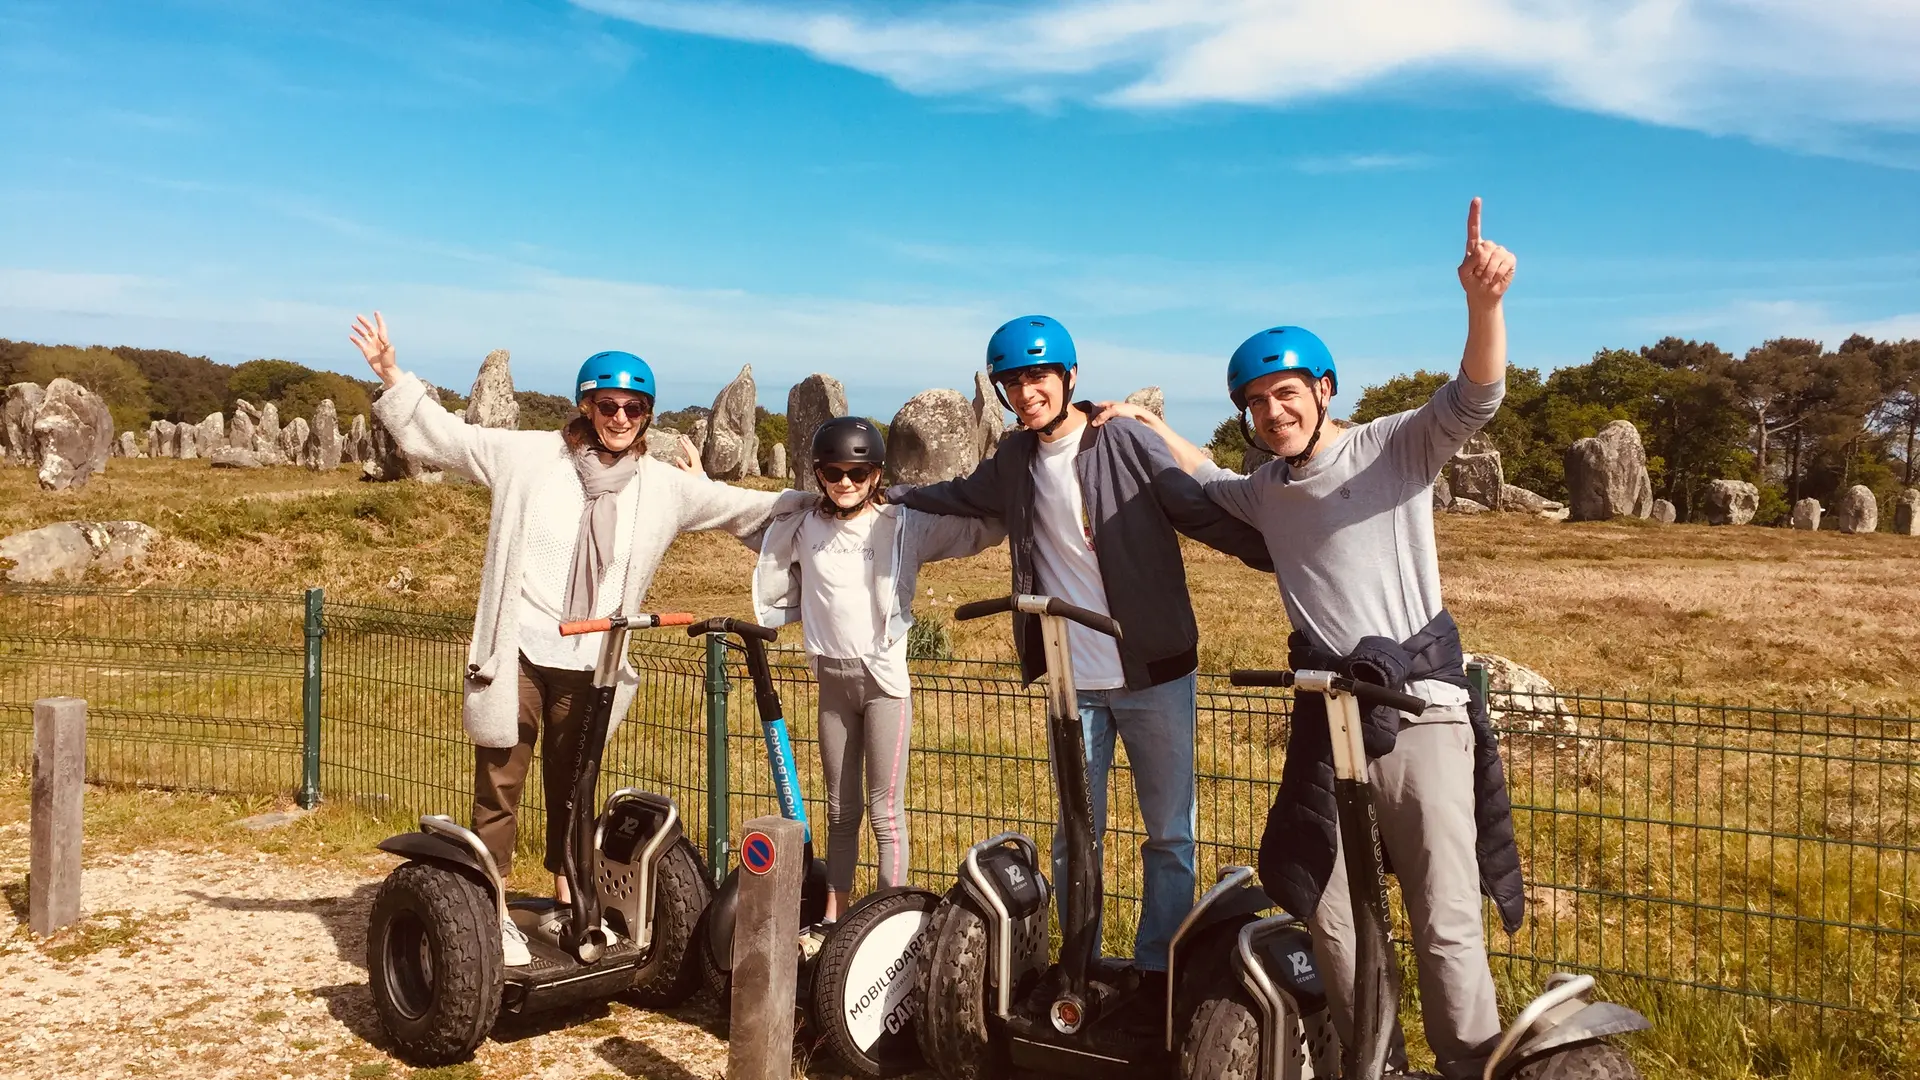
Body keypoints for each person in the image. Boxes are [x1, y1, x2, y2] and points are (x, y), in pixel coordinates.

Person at [1094, 199, 1524, 1079]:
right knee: (1326, 907)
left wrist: (1485, 304)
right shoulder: (1265, 488)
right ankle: (1377, 1064)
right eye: (1256, 402)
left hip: (1417, 710)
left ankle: (1469, 1064)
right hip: (1326, 722)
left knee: (1444, 916)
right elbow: (1204, 477)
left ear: (1324, 389)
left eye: (1286, 393)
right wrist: (1142, 425)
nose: (1272, 411)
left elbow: (1477, 395)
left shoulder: (1391, 447)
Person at [349, 312, 811, 967]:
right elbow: (446, 437)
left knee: (575, 792)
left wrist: (840, 494)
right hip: (519, 653)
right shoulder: (527, 457)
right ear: (585, 405)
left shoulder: (666, 489)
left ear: (647, 414)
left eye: (634, 407)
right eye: (607, 404)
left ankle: (571, 906)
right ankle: (492, 913)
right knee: (499, 789)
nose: (620, 417)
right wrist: (394, 374)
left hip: (592, 664)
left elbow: (752, 510)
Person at [888, 315, 1273, 992]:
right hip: (1072, 682)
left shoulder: (1120, 439)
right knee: (1074, 837)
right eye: (1012, 381)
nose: (1026, 391)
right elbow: (958, 494)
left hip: (1154, 671)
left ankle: (1159, 969)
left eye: (1038, 376)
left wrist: (1278, 548)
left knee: (1170, 837)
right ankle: (1081, 966)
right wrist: (881, 495)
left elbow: (1195, 508)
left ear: (1069, 377)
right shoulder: (1013, 458)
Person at [749, 417, 1003, 953]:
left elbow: (978, 531)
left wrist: (1026, 505)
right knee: (841, 812)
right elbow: (741, 518)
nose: (845, 483)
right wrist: (703, 479)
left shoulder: (904, 524)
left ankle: (893, 921)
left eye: (857, 473)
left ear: (876, 474)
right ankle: (833, 919)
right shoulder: (799, 526)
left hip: (884, 683)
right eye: (833, 473)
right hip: (831, 682)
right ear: (817, 474)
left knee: (886, 811)